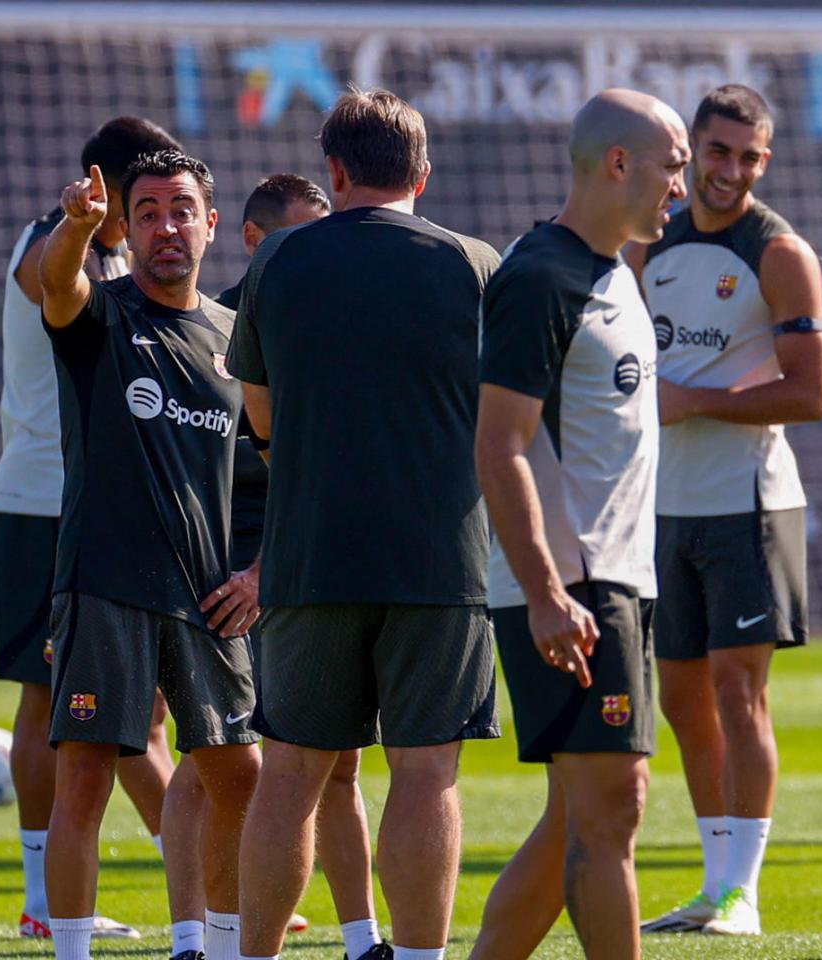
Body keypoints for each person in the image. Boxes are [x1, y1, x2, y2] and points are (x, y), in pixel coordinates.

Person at [228, 89, 502, 960]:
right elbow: (509, 412)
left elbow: (259, 412)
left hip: (310, 556)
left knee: (290, 773)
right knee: (426, 772)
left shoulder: (280, 259)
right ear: (423, 173)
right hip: (440, 559)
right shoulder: (476, 263)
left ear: (335, 170)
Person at [468, 88, 688, 960]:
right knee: (612, 812)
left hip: (615, 580)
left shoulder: (614, 271)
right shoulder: (540, 278)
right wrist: (546, 592)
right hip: (574, 588)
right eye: (674, 165)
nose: (683, 185)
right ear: (618, 163)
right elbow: (499, 445)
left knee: (577, 818)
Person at [39, 149, 262, 960]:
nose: (167, 227)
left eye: (181, 211)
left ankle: (209, 946)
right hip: (105, 585)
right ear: (128, 230)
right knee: (85, 777)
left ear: (211, 224)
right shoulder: (103, 315)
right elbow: (57, 286)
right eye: (148, 214)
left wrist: (260, 574)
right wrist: (76, 228)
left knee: (241, 776)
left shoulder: (238, 340)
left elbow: (283, 471)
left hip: (208, 596)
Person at [158, 174, 378, 960]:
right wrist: (241, 576)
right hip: (224, 583)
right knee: (212, 762)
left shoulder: (336, 327)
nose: (325, 248)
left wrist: (275, 568)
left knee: (341, 763)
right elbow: (179, 476)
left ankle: (364, 941)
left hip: (303, 569)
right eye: (304, 232)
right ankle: (191, 940)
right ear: (253, 240)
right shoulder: (208, 330)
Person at [631, 84, 822, 938]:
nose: (732, 171)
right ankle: (715, 885)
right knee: (680, 698)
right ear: (691, 153)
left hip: (748, 504)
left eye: (750, 157)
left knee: (738, 691)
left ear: (765, 161)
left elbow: (813, 394)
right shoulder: (649, 241)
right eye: (718, 152)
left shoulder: (779, 252)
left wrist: (696, 401)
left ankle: (743, 892)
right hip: (659, 509)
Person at [0, 116, 185, 943]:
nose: (160, 210)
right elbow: (48, 281)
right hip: (45, 504)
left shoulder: (119, 261)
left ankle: (203, 873)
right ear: (110, 186)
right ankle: (41, 900)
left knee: (143, 714)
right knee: (49, 703)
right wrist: (80, 227)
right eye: (146, 191)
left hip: (103, 506)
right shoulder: (53, 243)